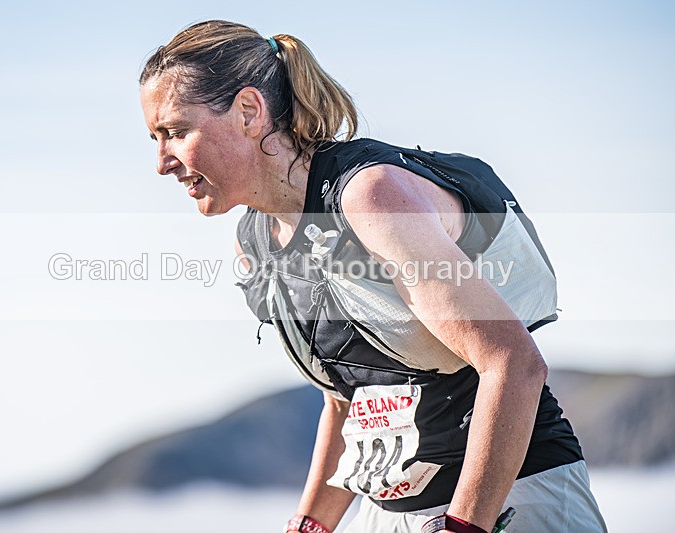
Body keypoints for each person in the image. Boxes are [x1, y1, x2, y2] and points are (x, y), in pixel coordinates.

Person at [138, 20, 607, 533]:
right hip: (386, 513)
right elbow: (349, 399)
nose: (162, 163)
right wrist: (310, 524)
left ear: (249, 112)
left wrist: (465, 525)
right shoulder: (254, 242)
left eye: (176, 133)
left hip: (513, 498)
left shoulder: (371, 196)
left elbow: (513, 362)